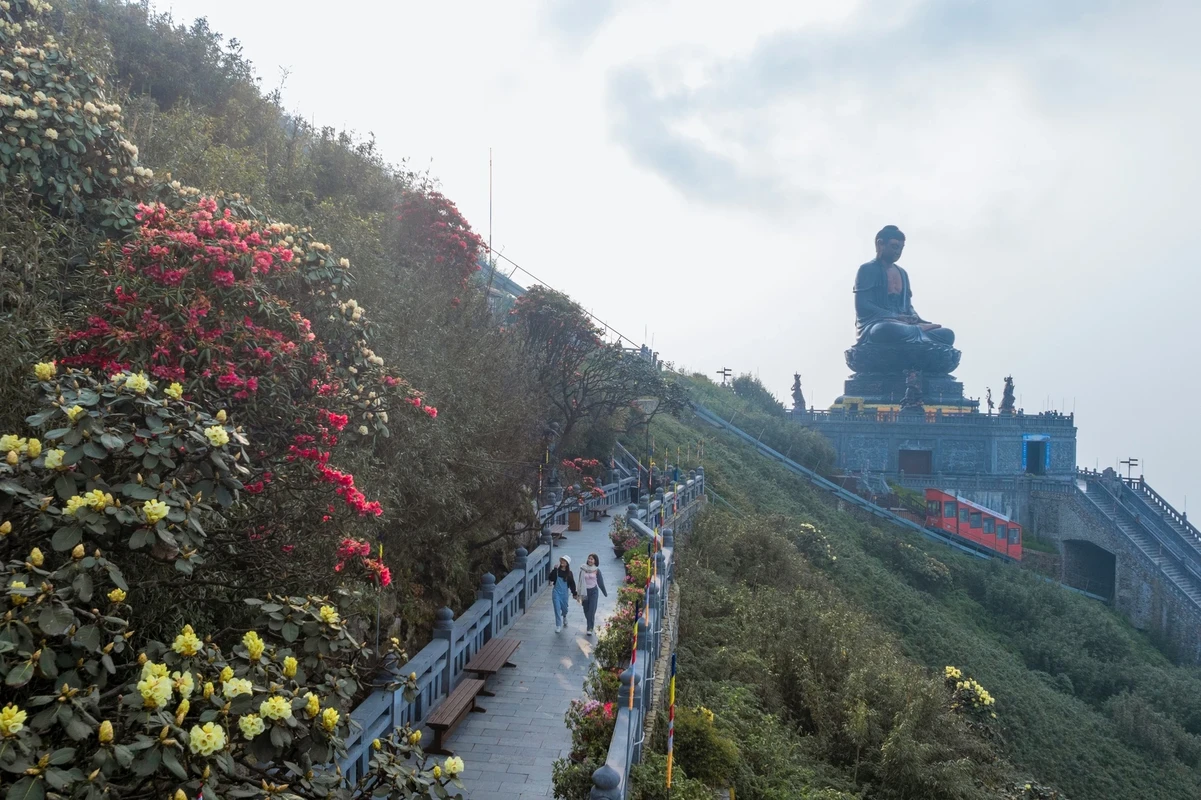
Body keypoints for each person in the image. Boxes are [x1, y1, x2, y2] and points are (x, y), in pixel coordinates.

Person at [853, 225, 955, 347]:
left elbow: (907, 305)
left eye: (901, 248)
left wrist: (913, 316)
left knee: (947, 334)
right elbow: (863, 306)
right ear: (880, 244)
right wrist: (896, 317)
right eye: (894, 246)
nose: (898, 252)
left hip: (904, 325)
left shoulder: (902, 273)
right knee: (885, 329)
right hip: (879, 324)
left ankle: (918, 333)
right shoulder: (867, 269)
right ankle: (920, 333)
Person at [577, 553, 608, 636]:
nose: (590, 560)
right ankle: (590, 622)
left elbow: (600, 582)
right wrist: (578, 593)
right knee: (586, 610)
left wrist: (604, 592)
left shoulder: (597, 570)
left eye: (592, 559)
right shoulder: (583, 569)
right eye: (589, 558)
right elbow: (579, 582)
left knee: (592, 610)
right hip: (584, 592)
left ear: (595, 561)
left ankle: (590, 627)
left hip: (593, 592)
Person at [548, 555, 577, 633]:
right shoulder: (556, 570)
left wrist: (574, 593)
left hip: (564, 593)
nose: (562, 562)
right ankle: (558, 625)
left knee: (565, 609)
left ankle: (564, 616)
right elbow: (551, 578)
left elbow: (572, 584)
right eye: (561, 560)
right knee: (557, 608)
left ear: (567, 563)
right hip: (556, 592)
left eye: (564, 561)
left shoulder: (569, 573)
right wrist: (554, 569)